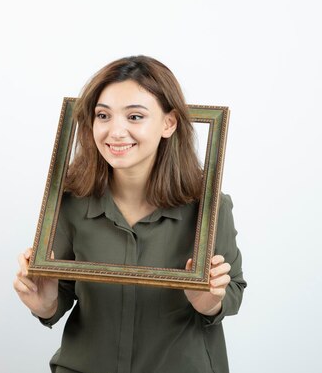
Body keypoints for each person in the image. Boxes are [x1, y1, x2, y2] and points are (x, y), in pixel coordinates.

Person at [13, 55, 247, 373]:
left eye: (135, 116)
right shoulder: (69, 202)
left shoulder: (209, 206)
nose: (116, 131)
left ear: (169, 123)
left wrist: (209, 301)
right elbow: (61, 290)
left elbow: (233, 288)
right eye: (103, 115)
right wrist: (46, 305)